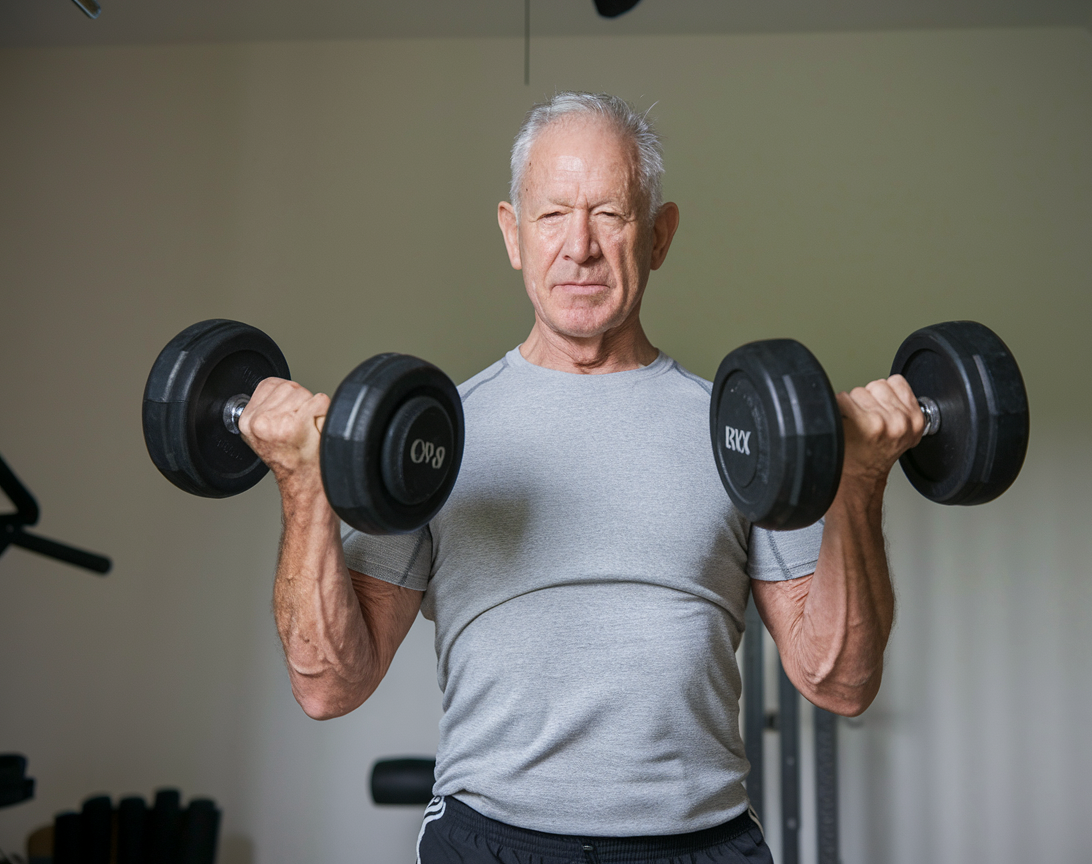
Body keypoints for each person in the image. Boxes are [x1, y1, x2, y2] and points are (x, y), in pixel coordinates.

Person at [237, 92, 923, 863]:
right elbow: (329, 686)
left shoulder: (741, 434)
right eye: (553, 214)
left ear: (659, 235)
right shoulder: (433, 436)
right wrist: (301, 483)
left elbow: (840, 682)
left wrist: (859, 484)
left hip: (700, 846)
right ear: (513, 235)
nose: (580, 248)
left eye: (611, 215)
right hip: (492, 844)